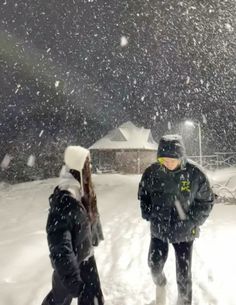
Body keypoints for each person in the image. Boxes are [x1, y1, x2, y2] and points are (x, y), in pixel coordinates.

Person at [138, 135, 214, 305]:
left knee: (183, 274)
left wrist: (191, 221)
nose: (169, 163)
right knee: (154, 264)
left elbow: (207, 201)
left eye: (173, 159)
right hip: (159, 229)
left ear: (182, 157)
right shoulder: (152, 173)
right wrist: (147, 211)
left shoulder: (195, 174)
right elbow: (143, 195)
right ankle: (161, 283)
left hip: (184, 233)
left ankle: (184, 302)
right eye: (164, 159)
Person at [42, 145, 104, 305]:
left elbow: (84, 220)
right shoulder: (66, 199)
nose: (90, 167)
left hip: (85, 259)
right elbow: (60, 248)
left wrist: (94, 236)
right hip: (72, 266)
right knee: (58, 301)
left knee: (93, 300)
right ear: (79, 168)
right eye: (87, 164)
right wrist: (74, 282)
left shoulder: (79, 191)